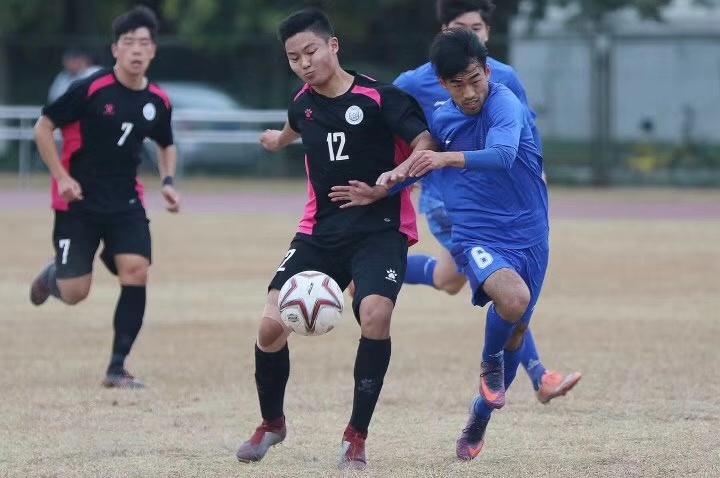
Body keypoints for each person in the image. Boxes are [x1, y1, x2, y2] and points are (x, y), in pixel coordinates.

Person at [330, 27, 565, 461]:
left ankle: (479, 417)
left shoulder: (505, 103)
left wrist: (445, 157)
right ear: (442, 84)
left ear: (487, 71)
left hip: (531, 235)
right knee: (513, 299)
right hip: (474, 232)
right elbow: (422, 164)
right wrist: (384, 187)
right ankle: (489, 363)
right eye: (457, 84)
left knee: (517, 328)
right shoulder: (440, 118)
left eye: (475, 79)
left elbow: (503, 156)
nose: (469, 92)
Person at [234, 8, 434, 470]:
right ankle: (272, 423)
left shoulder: (382, 98)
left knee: (375, 314)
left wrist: (386, 186)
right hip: (320, 233)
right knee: (269, 328)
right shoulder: (301, 104)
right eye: (294, 57)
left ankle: (355, 437)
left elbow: (425, 145)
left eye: (311, 51)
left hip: (380, 230)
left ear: (333, 46)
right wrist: (276, 141)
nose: (304, 63)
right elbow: (293, 129)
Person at [392, 0, 580, 404]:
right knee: (506, 289)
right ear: (443, 31)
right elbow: (387, 117)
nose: (471, 35)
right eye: (461, 28)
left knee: (449, 279)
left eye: (477, 28)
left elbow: (524, 131)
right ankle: (538, 374)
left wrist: (538, 172)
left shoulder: (504, 78)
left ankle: (377, 269)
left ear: (487, 33)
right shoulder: (415, 81)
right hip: (447, 199)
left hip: (502, 194)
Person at [29, 5, 181, 389]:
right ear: (115, 49)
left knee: (136, 271)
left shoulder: (158, 101)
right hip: (78, 200)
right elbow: (43, 127)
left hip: (125, 200)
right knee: (75, 292)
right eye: (128, 42)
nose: (136, 49)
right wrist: (61, 177)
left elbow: (166, 142)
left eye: (143, 43)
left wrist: (168, 181)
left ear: (153, 51)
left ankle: (117, 367)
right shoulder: (90, 89)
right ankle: (54, 276)